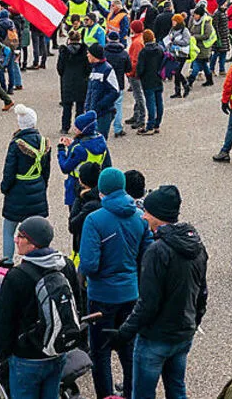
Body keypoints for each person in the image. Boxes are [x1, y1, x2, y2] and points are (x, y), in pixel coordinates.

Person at [113, 185, 208, 399]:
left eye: (147, 212)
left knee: (143, 395)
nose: (143, 216)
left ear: (158, 215)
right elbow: (202, 292)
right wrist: (194, 322)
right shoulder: (197, 246)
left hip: (155, 338)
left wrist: (124, 333)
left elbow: (147, 304)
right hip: (183, 332)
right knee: (176, 388)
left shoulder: (156, 252)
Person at [79, 168, 151, 398]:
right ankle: (131, 393)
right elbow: (146, 254)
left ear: (101, 190)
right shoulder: (140, 217)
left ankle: (106, 395)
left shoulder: (94, 220)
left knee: (100, 353)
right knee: (129, 350)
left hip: (102, 297)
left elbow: (89, 264)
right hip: (131, 293)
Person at [0, 215, 83, 398]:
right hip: (58, 350)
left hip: (27, 356)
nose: (15, 239)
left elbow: (5, 321)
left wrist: (5, 355)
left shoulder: (17, 276)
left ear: (33, 244)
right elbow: (78, 303)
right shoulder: (65, 265)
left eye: (21, 236)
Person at [0, 105, 52, 261]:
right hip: (37, 186)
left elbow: (9, 170)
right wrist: (42, 187)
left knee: (9, 231)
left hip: (17, 189)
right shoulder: (44, 143)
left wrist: (5, 187)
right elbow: (46, 171)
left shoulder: (16, 144)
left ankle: (7, 262)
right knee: (36, 233)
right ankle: (38, 260)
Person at [58, 110, 112, 208]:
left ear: (84, 130)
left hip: (77, 183)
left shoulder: (79, 149)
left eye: (77, 127)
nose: (74, 128)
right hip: (95, 183)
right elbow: (107, 164)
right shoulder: (100, 140)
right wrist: (73, 144)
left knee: (76, 214)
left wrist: (61, 149)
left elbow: (65, 167)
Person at [85, 42, 121, 138]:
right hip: (93, 112)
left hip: (103, 113)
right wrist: (87, 106)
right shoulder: (94, 69)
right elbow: (90, 91)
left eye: (89, 53)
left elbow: (115, 91)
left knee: (100, 141)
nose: (87, 55)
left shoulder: (107, 69)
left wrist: (100, 105)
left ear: (94, 55)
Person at [135, 30, 165, 135]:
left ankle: (150, 125)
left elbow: (140, 67)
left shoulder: (143, 52)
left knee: (150, 103)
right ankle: (157, 124)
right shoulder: (159, 49)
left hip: (147, 80)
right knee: (159, 102)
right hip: (158, 78)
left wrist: (138, 75)